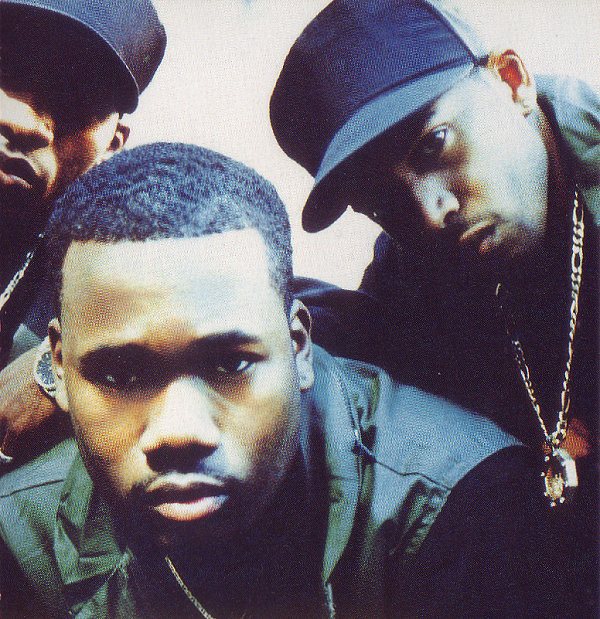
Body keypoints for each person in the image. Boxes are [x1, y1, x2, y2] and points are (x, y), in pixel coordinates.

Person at [0, 143, 577, 617]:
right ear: (58, 367)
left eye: (230, 364)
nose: (179, 431)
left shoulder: (463, 506)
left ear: (299, 346)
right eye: (119, 375)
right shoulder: (18, 537)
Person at [270, 0, 598, 607]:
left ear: (512, 81)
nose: (430, 212)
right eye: (381, 201)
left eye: (432, 147)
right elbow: (358, 343)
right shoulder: (416, 265)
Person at [0, 0, 166, 459]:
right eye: (7, 71)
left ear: (112, 146)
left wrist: (61, 367)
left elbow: (306, 313)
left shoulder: (105, 256)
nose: (22, 121)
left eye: (74, 98)